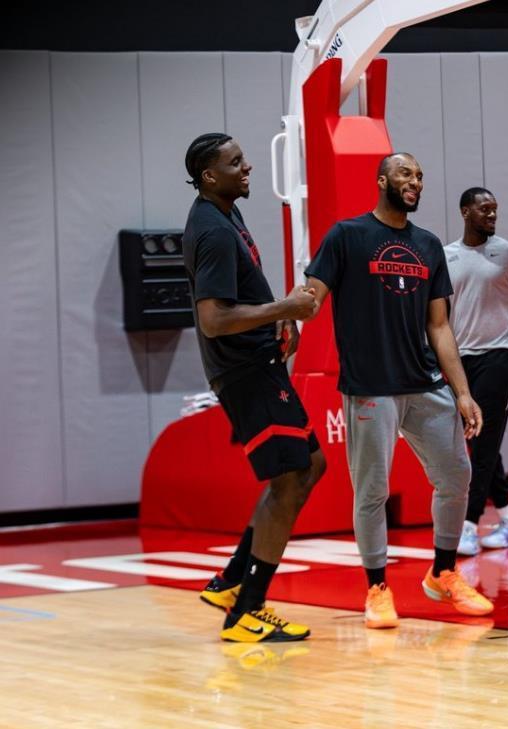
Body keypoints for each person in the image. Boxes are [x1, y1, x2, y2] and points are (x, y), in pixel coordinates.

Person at [305, 153, 494, 629]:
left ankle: (443, 574)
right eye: (406, 173)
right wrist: (285, 317)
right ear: (382, 180)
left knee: (456, 476)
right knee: (373, 490)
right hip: (370, 385)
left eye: (420, 176)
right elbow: (312, 296)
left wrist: (462, 391)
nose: (416, 181)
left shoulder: (427, 245)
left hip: (425, 383)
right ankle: (377, 588)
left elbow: (440, 326)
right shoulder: (346, 236)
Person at [182, 132, 326, 642]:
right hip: (244, 372)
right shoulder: (212, 231)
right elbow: (214, 319)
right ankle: (247, 611)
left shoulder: (226, 212)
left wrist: (276, 320)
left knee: (311, 464)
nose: (248, 168)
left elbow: (240, 296)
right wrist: (286, 307)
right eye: (236, 162)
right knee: (289, 480)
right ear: (209, 176)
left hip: (260, 363)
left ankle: (230, 581)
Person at [445, 187, 508, 556]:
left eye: (495, 209)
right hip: (460, 360)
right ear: (465, 212)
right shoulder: (447, 256)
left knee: (484, 440)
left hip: (499, 355)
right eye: (484, 209)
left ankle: (469, 526)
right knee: (479, 441)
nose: (491, 215)